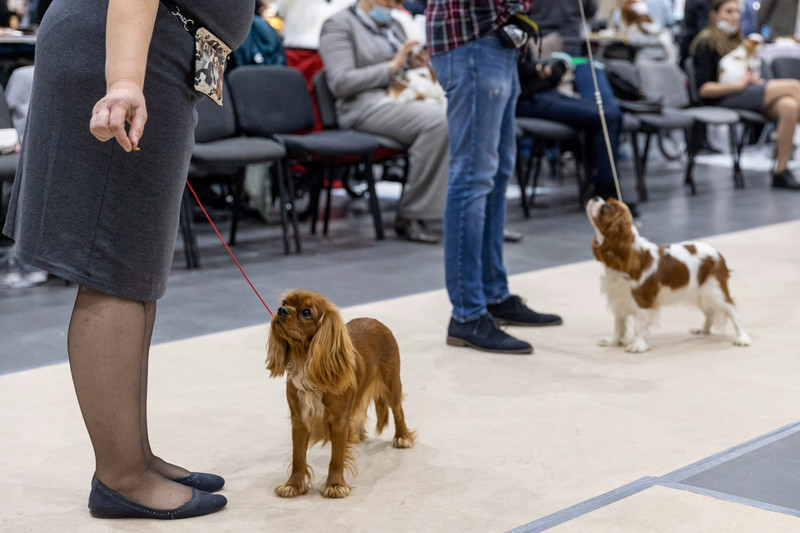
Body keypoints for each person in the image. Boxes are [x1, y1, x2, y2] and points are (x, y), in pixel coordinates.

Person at [2, 0, 253, 519]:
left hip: (150, 51)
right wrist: (123, 80)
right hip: (127, 49)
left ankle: (133, 456)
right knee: (112, 267)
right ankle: (120, 476)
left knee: (134, 268)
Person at [427, 0, 563, 354]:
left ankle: (492, 294)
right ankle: (467, 314)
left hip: (497, 42)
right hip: (471, 39)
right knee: (473, 177)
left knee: (496, 174)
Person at [320, 0, 449, 243]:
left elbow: (401, 68)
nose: (394, 4)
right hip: (363, 106)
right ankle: (413, 214)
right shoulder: (338, 25)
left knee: (458, 115)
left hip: (399, 98)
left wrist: (413, 63)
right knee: (438, 122)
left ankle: (462, 210)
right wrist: (392, 66)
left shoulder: (394, 23)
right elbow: (341, 83)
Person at [690, 0, 800, 190]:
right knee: (795, 87)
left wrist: (751, 80)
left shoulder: (740, 42)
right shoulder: (706, 43)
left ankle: (781, 171)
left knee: (789, 105)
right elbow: (704, 90)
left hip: (745, 93)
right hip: (723, 98)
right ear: (715, 15)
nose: (735, 17)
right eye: (729, 11)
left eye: (737, 12)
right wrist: (738, 85)